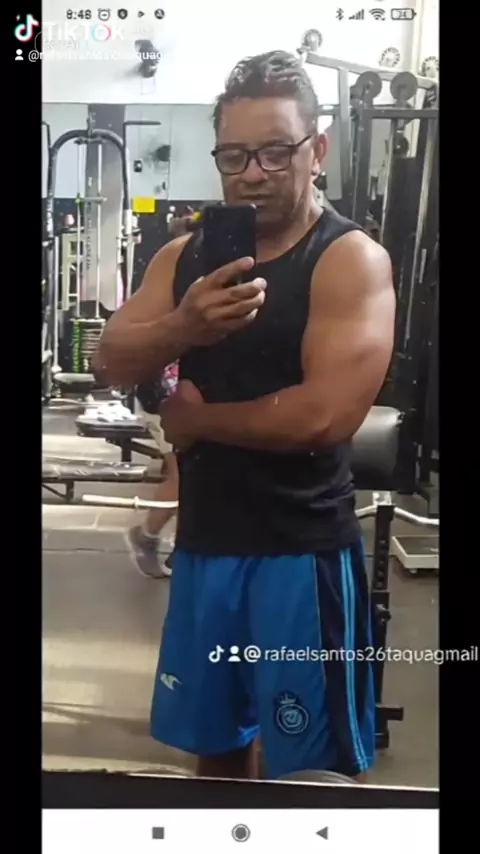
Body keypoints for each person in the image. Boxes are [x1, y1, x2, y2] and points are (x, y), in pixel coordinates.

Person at [96, 50, 396, 782]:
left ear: (316, 151)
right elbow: (110, 361)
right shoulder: (184, 257)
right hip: (206, 547)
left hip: (298, 556)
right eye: (234, 155)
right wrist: (183, 327)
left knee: (312, 777)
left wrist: (200, 424)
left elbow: (324, 417)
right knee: (217, 757)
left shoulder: (348, 260)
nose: (252, 173)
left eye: (274, 152)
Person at [128, 363, 179, 579]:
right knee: (184, 478)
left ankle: (156, 539)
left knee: (186, 477)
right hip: (168, 402)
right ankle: (156, 539)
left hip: (184, 399)